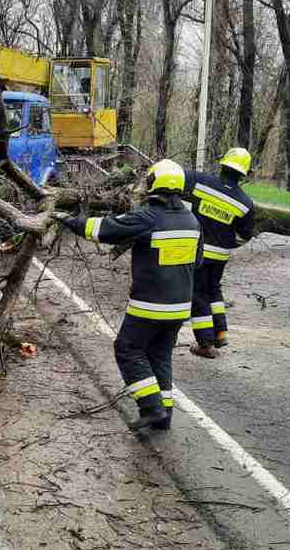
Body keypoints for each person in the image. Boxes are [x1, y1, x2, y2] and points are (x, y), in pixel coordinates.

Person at [56, 159, 203, 432]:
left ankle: (151, 406)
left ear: (154, 185)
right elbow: (199, 261)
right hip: (180, 306)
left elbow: (104, 228)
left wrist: (68, 220)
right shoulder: (192, 221)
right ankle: (164, 415)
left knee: (128, 349)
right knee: (160, 355)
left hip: (150, 305)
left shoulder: (148, 217)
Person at [183, 147, 256, 358]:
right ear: (244, 173)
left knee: (198, 295)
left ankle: (205, 343)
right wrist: (228, 243)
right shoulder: (245, 203)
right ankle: (221, 332)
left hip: (198, 251)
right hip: (220, 255)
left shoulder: (199, 182)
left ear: (222, 164)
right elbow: (245, 235)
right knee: (213, 290)